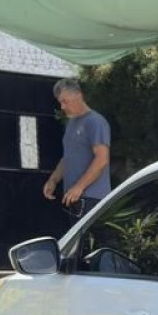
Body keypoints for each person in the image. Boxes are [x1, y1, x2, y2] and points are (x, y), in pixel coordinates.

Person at [43, 78, 111, 215]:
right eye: (60, 102)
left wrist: (79, 187)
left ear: (78, 96)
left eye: (65, 101)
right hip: (73, 198)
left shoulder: (95, 122)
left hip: (92, 199)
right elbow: (68, 157)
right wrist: (53, 180)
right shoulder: (71, 124)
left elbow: (102, 159)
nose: (62, 107)